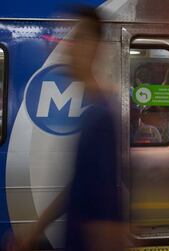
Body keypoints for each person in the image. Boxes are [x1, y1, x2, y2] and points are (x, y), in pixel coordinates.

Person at [6, 7, 125, 251]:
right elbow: (77, 185)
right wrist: (34, 231)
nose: (66, 48)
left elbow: (109, 219)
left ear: (94, 47)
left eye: (75, 38)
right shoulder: (92, 110)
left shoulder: (101, 117)